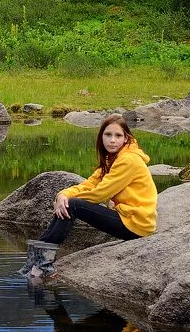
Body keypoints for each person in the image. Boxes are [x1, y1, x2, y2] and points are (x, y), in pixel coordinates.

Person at [20, 113, 158, 278]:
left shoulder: (129, 160)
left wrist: (67, 201)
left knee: (73, 205)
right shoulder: (112, 159)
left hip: (136, 224)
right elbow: (89, 184)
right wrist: (63, 195)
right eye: (108, 135)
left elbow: (100, 193)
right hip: (127, 217)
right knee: (69, 203)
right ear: (101, 137)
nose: (112, 140)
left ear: (126, 138)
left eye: (118, 135)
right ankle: (36, 261)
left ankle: (41, 263)